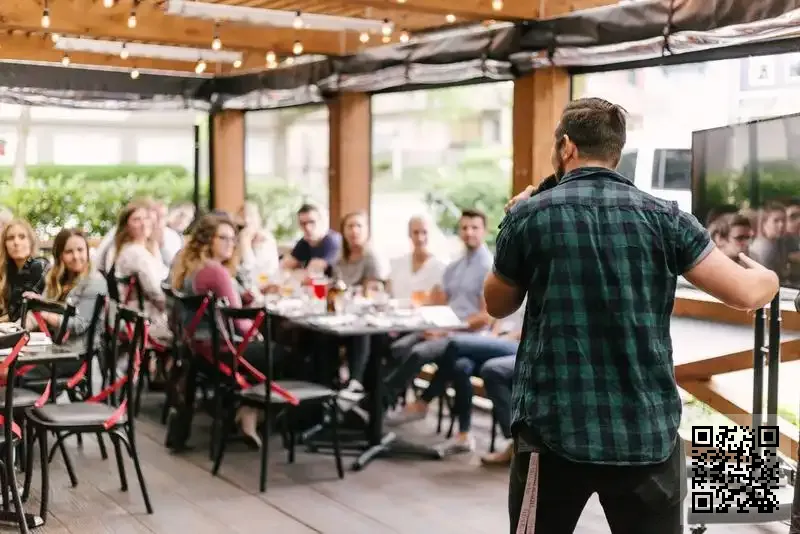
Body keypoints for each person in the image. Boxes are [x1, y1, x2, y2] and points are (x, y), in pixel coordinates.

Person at [484, 97, 779, 534]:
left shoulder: (530, 215)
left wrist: (511, 223)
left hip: (553, 429)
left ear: (566, 147)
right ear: (616, 152)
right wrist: (769, 275)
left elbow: (497, 303)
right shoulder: (666, 218)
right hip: (645, 432)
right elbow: (746, 293)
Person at [384, 209, 493, 423]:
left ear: (485, 231)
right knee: (397, 347)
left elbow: (485, 317)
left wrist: (448, 330)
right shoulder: (454, 266)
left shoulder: (489, 266)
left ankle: (382, 403)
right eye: (464, 228)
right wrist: (433, 324)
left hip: (468, 335)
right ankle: (387, 400)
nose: (469, 232)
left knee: (418, 352)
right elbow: (440, 303)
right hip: (445, 329)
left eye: (474, 228)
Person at [171, 214, 267, 448]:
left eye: (233, 239)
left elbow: (223, 304)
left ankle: (248, 409)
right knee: (288, 354)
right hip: (222, 351)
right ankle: (250, 409)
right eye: (223, 238)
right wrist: (259, 332)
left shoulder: (191, 267)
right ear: (207, 240)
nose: (230, 243)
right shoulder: (215, 271)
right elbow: (239, 322)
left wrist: (244, 297)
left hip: (198, 350)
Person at [405, 302, 524, 458]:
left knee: (455, 344)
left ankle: (423, 401)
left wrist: (498, 337)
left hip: (512, 344)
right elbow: (495, 317)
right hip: (492, 340)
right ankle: (464, 435)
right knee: (460, 366)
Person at [21, 228, 107, 383]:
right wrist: (39, 302)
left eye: (80, 250)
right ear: (60, 255)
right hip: (54, 347)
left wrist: (45, 314)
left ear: (87, 251)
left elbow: (79, 325)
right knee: (13, 365)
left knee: (15, 375)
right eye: (69, 252)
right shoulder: (57, 277)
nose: (76, 256)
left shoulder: (94, 281)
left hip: (77, 354)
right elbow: (49, 308)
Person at [333, 211, 389, 392]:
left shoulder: (371, 258)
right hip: (342, 317)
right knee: (320, 336)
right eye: (350, 226)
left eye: (359, 226)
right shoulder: (340, 260)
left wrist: (351, 294)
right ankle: (327, 385)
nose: (354, 231)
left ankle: (355, 383)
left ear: (367, 230)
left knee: (360, 330)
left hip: (368, 319)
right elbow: (334, 289)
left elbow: (372, 292)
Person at [0, 218, 49, 322]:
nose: (16, 242)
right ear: (5, 244)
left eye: (22, 237)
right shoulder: (5, 272)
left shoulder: (39, 267)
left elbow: (19, 312)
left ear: (31, 242)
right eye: (10, 238)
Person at [389, 215, 446, 301]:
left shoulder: (440, 267)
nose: (420, 238)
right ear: (409, 234)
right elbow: (388, 293)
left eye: (424, 232)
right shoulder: (399, 264)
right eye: (416, 232)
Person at [280, 204, 341, 274]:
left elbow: (315, 269)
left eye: (312, 222)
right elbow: (286, 265)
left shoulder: (332, 240)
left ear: (322, 222)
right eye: (303, 223)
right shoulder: (305, 242)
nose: (307, 227)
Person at [237, 201, 280, 292]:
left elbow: (256, 274)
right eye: (242, 217)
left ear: (258, 219)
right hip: (245, 289)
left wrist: (246, 243)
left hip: (265, 287)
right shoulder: (235, 241)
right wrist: (245, 243)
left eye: (251, 216)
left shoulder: (267, 240)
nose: (247, 220)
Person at [749, 202, 788, 278]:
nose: (781, 225)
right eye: (776, 221)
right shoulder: (762, 248)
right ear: (764, 223)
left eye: (783, 220)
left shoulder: (778, 242)